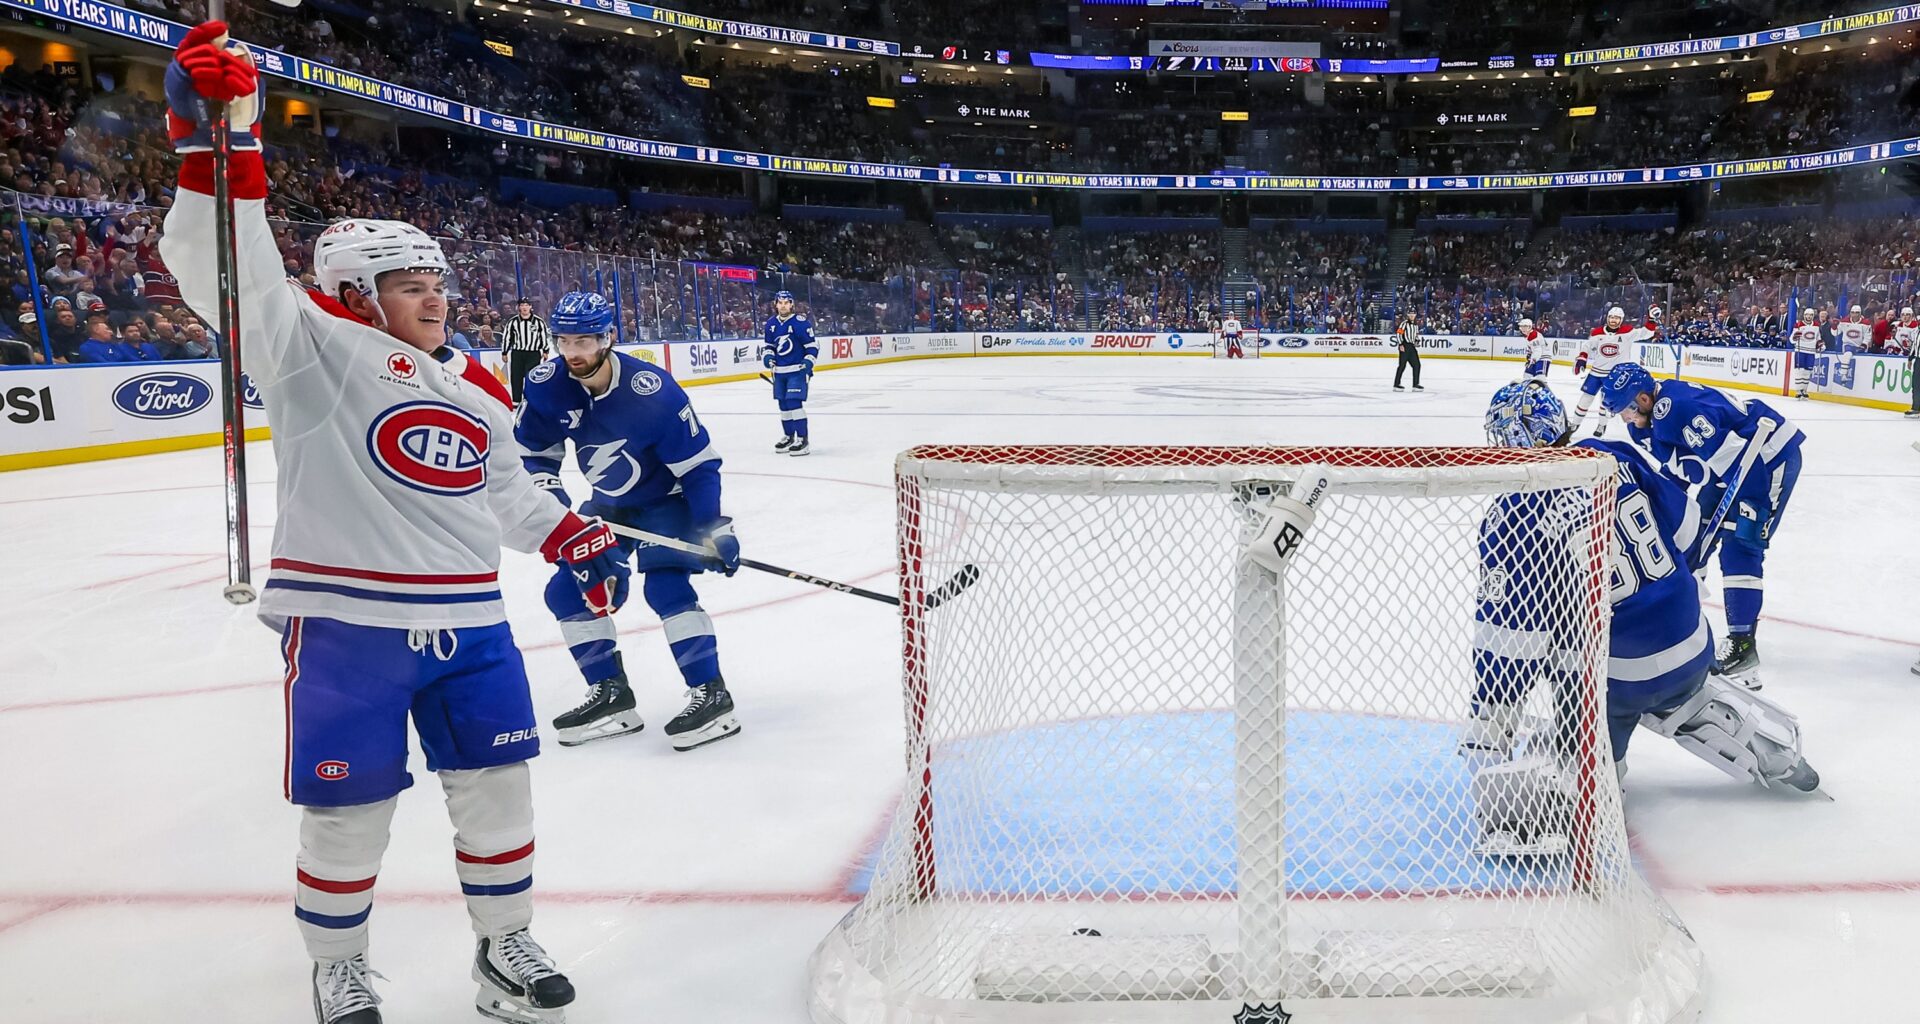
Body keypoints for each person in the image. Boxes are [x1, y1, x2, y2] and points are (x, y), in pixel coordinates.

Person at [157, 23, 613, 1023]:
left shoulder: (474, 385)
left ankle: (504, 949)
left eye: (439, 283)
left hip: (472, 625)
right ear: (358, 293)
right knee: (349, 810)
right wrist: (214, 145)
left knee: (499, 788)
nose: (438, 299)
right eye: (414, 285)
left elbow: (498, 491)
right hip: (348, 626)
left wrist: (560, 532)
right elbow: (221, 272)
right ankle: (340, 965)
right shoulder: (309, 349)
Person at [1462, 382, 1817, 854]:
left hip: (1618, 679)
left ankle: (1584, 776)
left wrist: (1493, 715)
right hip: (1693, 641)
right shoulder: (1614, 455)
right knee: (1674, 675)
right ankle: (1760, 743)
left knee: (1573, 670)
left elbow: (1510, 640)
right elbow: (1690, 529)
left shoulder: (1512, 514)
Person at [515, 291, 744, 752]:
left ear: (609, 337)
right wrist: (555, 507)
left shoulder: (653, 392)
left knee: (665, 587)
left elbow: (699, 467)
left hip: (667, 501)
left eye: (585, 341)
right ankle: (612, 695)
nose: (574, 353)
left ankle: (712, 693)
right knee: (567, 590)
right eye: (564, 341)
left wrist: (713, 527)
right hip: (611, 507)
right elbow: (535, 455)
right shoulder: (544, 384)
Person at [1601, 363, 1802, 688]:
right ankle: (1683, 633)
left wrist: (1753, 507)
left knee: (1741, 548)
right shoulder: (1645, 422)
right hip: (1730, 467)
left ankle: (1742, 649)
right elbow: (1683, 470)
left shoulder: (1677, 409)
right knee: (1691, 545)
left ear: (1643, 398)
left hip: (1767, 460)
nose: (1625, 418)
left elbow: (1739, 461)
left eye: (1626, 409)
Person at [1569, 305, 1659, 438]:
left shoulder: (1627, 332)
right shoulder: (1597, 332)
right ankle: (1574, 424)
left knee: (1606, 402)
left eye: (1617, 318)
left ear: (1621, 319)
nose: (1613, 320)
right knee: (1585, 399)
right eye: (1611, 317)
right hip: (1596, 372)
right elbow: (1588, 346)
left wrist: (1651, 319)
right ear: (1607, 318)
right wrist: (1582, 357)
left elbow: (1647, 332)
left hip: (1614, 375)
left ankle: (1602, 424)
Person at [762, 289, 817, 454]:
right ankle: (789, 436)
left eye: (786, 303)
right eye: (780, 303)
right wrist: (768, 357)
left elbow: (812, 346)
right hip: (779, 372)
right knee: (783, 405)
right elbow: (769, 346)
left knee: (794, 403)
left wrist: (808, 361)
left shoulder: (800, 323)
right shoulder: (771, 324)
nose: (783, 306)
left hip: (797, 371)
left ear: (792, 304)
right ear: (776, 304)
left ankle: (803, 439)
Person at [1789, 310, 1821, 400]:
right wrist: (1795, 337)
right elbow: (1791, 339)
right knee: (1800, 371)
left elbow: (1818, 337)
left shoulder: (1816, 325)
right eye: (1807, 315)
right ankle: (1798, 391)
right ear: (1804, 315)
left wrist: (1820, 344)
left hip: (1811, 351)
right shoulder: (1798, 325)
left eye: (1811, 315)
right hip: (1800, 350)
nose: (1809, 316)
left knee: (1808, 372)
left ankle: (1804, 390)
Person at [1392, 311, 1423, 391]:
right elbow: (1399, 334)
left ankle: (1415, 384)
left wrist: (1417, 341)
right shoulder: (1404, 323)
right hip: (1405, 346)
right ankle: (1396, 384)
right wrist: (1400, 344)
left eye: (1413, 314)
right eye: (1410, 314)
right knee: (1402, 365)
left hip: (1412, 347)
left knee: (1417, 365)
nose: (1412, 315)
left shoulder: (1416, 325)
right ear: (1408, 315)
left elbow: (1416, 335)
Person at [1518, 317, 1550, 382]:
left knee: (1540, 376)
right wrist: (1529, 356)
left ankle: (1544, 390)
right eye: (1522, 326)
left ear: (1530, 327)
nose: (1523, 329)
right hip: (1536, 357)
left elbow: (1538, 350)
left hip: (1543, 357)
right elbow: (1532, 349)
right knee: (1527, 375)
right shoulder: (1528, 335)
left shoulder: (1533, 335)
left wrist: (1532, 360)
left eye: (1525, 326)